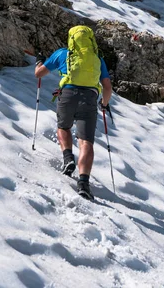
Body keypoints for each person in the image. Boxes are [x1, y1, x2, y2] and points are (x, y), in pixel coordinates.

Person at [35, 25, 112, 201]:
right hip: (90, 98)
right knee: (86, 142)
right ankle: (84, 183)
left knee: (63, 127)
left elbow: (39, 74)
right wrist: (104, 103)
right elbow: (107, 87)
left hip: (68, 94)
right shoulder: (97, 59)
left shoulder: (63, 54)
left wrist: (40, 61)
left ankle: (68, 157)